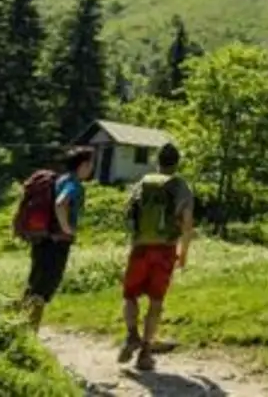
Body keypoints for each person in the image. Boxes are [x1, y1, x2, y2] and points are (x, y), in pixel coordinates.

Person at [117, 143, 195, 372]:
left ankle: (131, 334)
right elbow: (187, 223)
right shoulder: (180, 186)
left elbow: (128, 213)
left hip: (140, 246)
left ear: (157, 161)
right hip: (165, 249)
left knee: (130, 295)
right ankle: (145, 352)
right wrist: (184, 253)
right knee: (156, 301)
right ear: (177, 162)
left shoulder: (143, 182)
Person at [19, 146, 93, 331]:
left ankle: (19, 326)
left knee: (35, 282)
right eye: (91, 164)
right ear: (83, 165)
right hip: (57, 242)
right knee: (45, 286)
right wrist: (67, 228)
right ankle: (29, 331)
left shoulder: (58, 179)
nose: (91, 168)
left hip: (42, 239)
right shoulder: (73, 184)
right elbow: (61, 203)